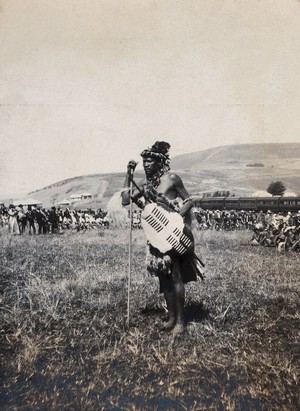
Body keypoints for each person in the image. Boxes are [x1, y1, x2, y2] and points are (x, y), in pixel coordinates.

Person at [121, 141, 204, 335]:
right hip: (156, 235)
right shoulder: (145, 183)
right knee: (163, 276)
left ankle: (181, 322)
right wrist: (128, 173)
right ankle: (172, 317)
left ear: (160, 162)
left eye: (150, 161)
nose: (147, 164)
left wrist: (176, 217)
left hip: (174, 233)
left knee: (175, 275)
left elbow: (189, 201)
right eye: (144, 161)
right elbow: (125, 200)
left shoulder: (172, 179)